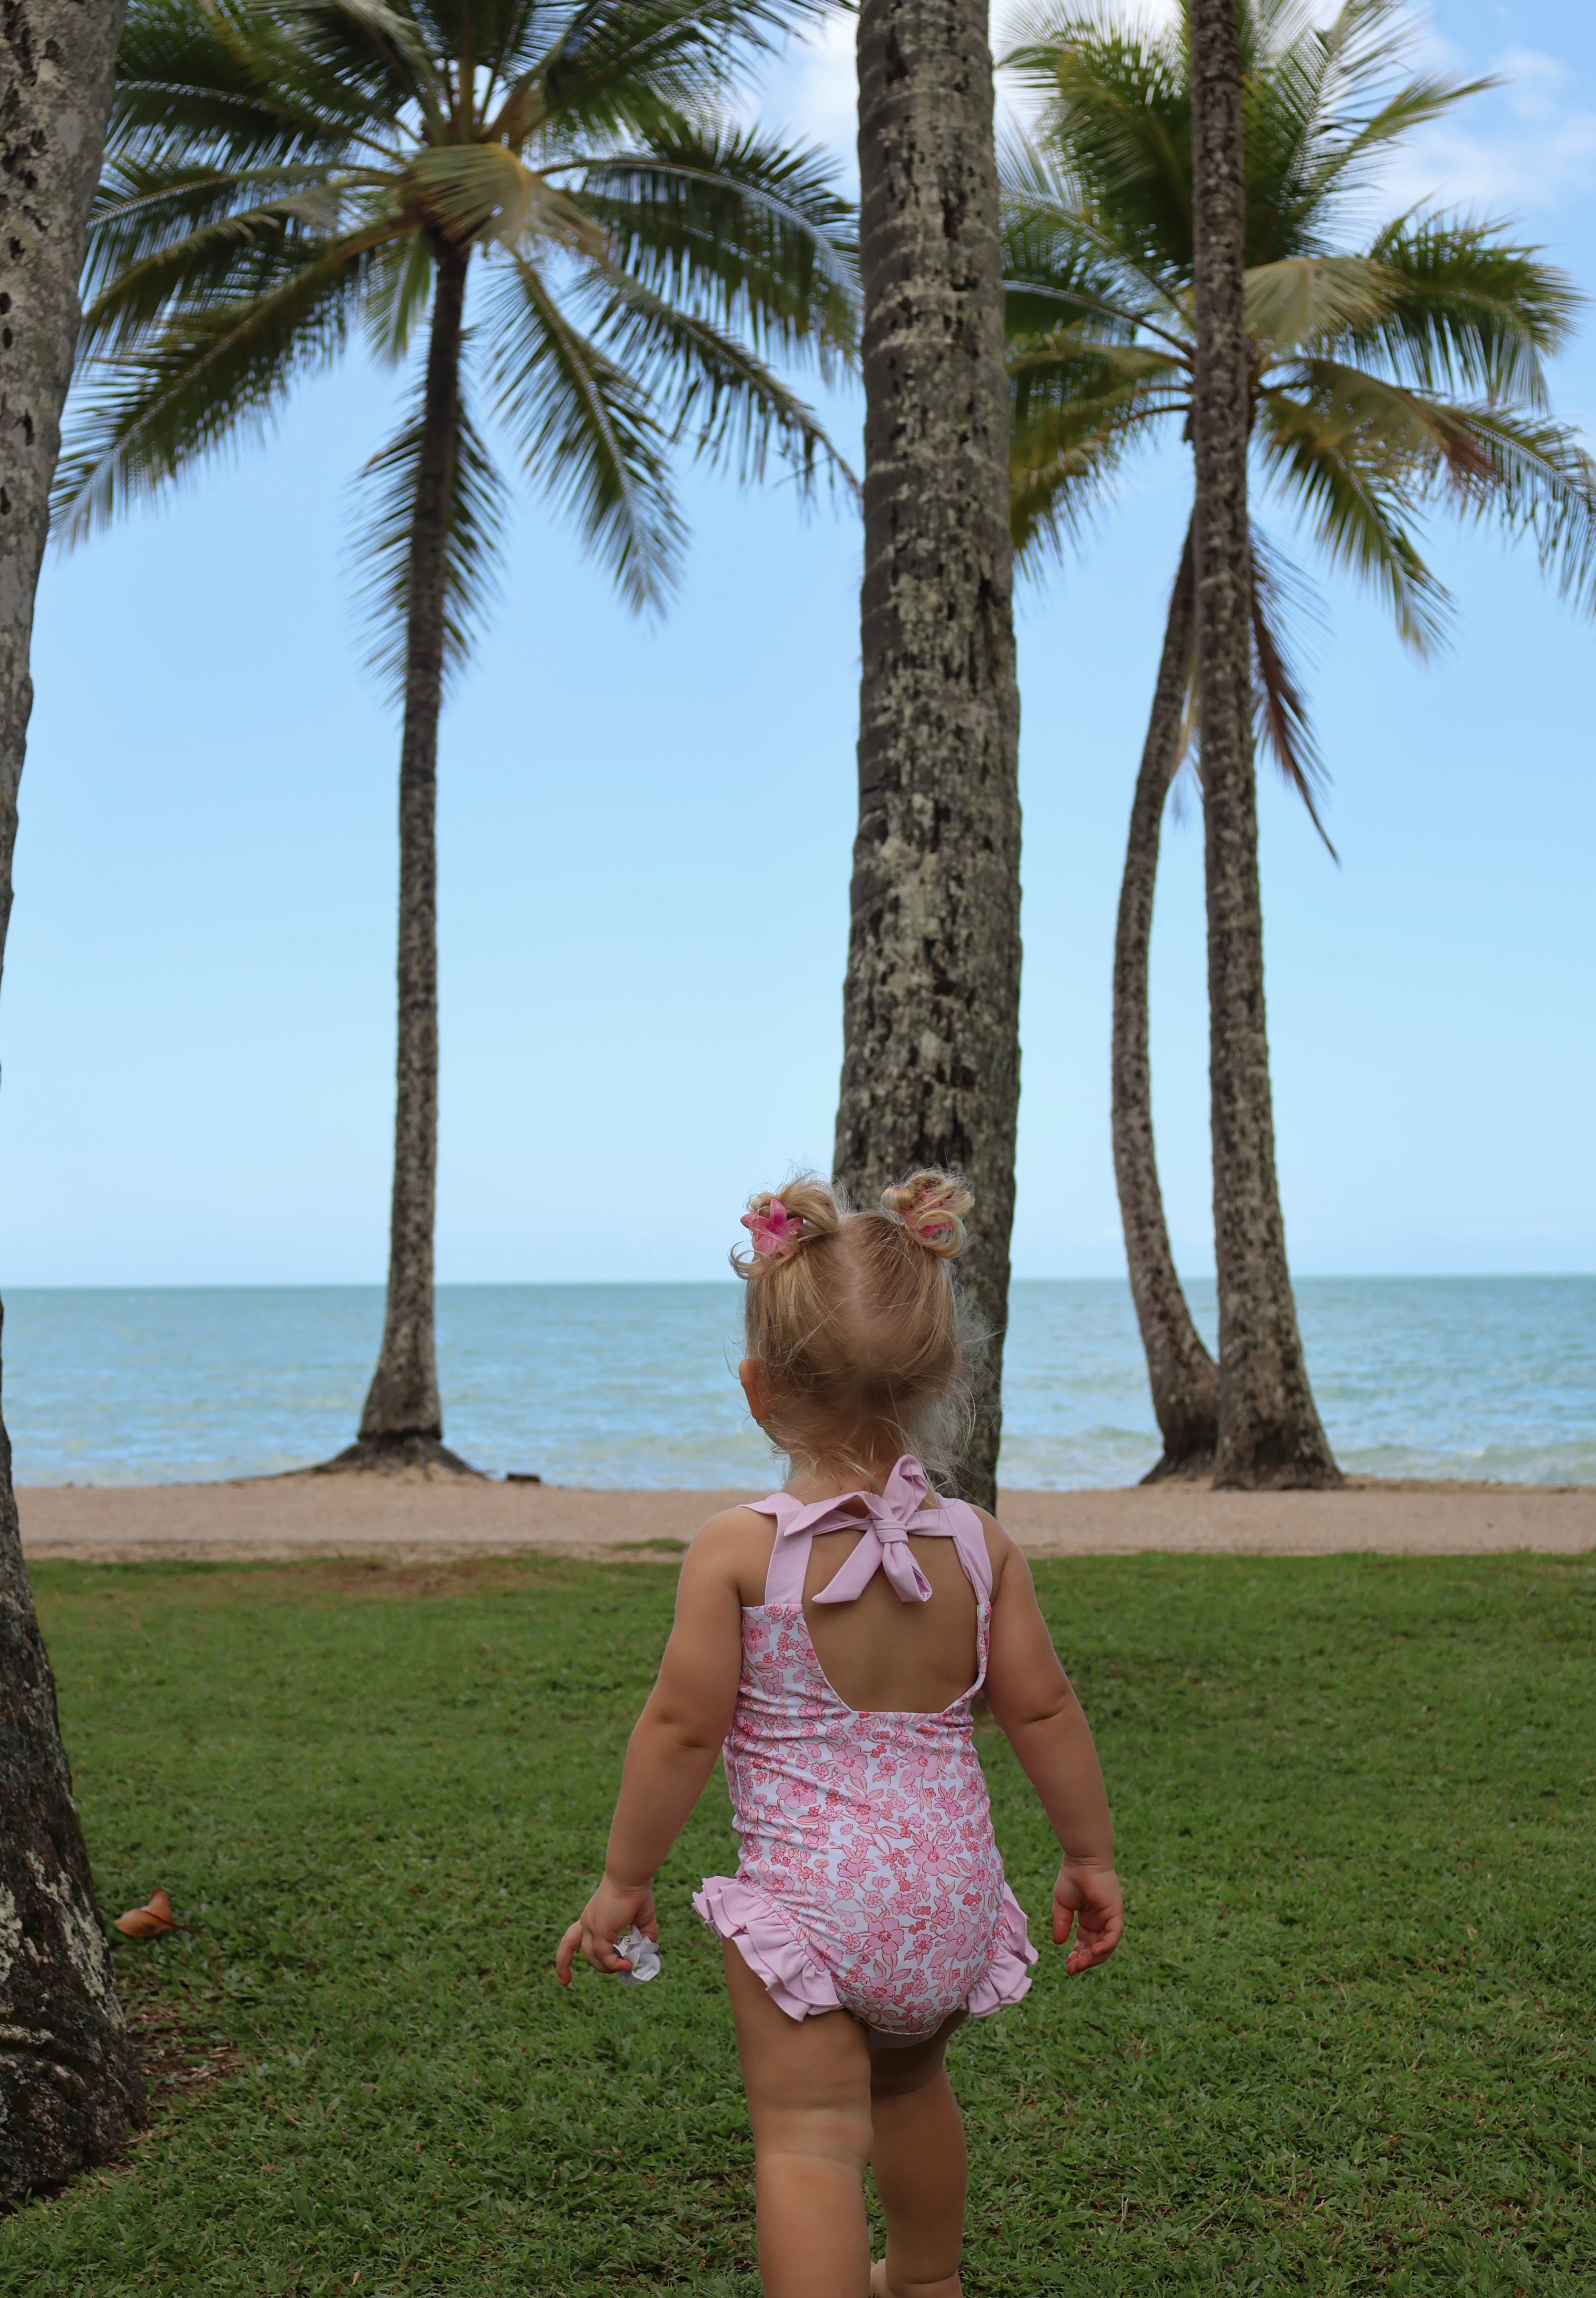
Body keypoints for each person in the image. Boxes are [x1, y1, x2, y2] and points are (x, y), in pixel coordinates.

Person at [556, 1171, 1124, 2298]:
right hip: (949, 1900)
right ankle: (923, 2280)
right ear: (943, 1376)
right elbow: (1045, 1709)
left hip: (814, 1909)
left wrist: (625, 1881)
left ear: (758, 1389)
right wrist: (1091, 1857)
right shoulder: (976, 1544)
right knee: (913, 2093)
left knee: (808, 2140)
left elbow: (679, 1729)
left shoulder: (740, 1551)